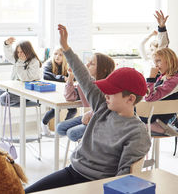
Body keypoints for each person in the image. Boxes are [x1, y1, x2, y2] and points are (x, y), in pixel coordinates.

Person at [25, 25, 151, 193]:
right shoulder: (103, 106)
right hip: (73, 172)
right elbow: (83, 77)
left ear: (130, 99)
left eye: (111, 92)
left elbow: (124, 177)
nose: (105, 94)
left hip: (96, 184)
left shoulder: (137, 132)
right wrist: (66, 47)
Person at [56, 53, 115, 142]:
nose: (87, 65)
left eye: (92, 63)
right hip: (93, 115)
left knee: (72, 133)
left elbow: (106, 110)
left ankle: (88, 147)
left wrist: (90, 114)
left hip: (103, 120)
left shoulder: (108, 86)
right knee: (60, 128)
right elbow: (70, 97)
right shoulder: (88, 82)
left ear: (103, 69)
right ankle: (86, 144)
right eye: (88, 62)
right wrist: (70, 78)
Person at [0, 37, 42, 107]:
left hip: (27, 91)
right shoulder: (17, 59)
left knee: (3, 99)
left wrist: (20, 62)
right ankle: (23, 101)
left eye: (22, 52)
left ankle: (33, 102)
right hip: (15, 88)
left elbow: (24, 78)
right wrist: (7, 44)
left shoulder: (34, 62)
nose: (19, 54)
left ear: (28, 51)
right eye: (18, 52)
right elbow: (9, 56)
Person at [142, 47, 178, 135]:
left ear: (170, 61)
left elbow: (150, 97)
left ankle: (158, 126)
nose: (156, 65)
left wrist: (151, 78)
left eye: (158, 61)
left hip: (160, 117)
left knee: (127, 111)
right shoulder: (163, 77)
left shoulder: (174, 80)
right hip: (156, 113)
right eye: (155, 62)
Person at [41, 48, 75, 136]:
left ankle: (64, 127)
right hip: (52, 91)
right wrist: (62, 78)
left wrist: (71, 77)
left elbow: (74, 76)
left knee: (73, 110)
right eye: (55, 54)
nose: (57, 56)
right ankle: (44, 123)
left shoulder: (68, 64)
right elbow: (45, 75)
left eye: (60, 55)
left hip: (63, 91)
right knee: (56, 109)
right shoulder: (49, 63)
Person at [139, 10, 169, 77]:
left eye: (154, 50)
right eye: (151, 49)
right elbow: (141, 45)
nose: (152, 52)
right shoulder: (147, 60)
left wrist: (162, 28)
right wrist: (151, 34)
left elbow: (163, 45)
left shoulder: (161, 64)